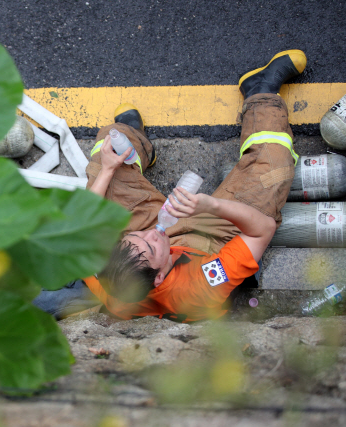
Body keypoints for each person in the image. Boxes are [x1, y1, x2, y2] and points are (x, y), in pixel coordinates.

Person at [34, 49, 307, 322]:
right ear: (160, 277)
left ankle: (136, 144)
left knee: (107, 151)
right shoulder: (197, 289)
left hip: (159, 246)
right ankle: (260, 92)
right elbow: (262, 231)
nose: (151, 234)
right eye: (150, 246)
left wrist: (108, 168)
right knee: (274, 167)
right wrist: (210, 205)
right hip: (209, 244)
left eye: (137, 237)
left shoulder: (106, 267)